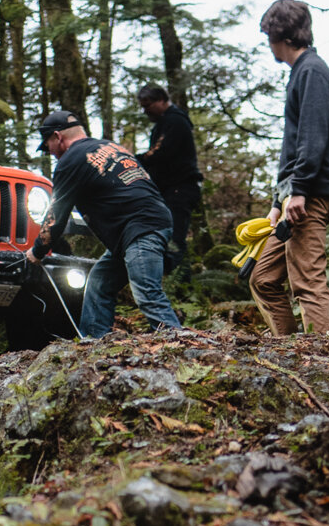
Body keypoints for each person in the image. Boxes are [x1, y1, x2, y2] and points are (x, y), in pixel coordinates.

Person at [30, 108, 183, 338]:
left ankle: (180, 345)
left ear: (57, 137)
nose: (51, 153)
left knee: (148, 294)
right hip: (149, 222)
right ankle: (93, 343)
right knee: (100, 281)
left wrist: (37, 252)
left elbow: (56, 215)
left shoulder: (70, 160)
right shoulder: (110, 147)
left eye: (48, 145)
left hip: (140, 228)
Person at [255, 0, 329, 336]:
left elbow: (312, 136)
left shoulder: (312, 71)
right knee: (263, 278)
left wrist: (299, 191)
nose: (269, 45)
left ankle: (322, 365)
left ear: (281, 35)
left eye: (269, 36)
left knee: (307, 282)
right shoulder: (300, 73)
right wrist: (278, 201)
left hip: (311, 194)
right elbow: (293, 146)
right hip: (295, 196)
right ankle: (291, 352)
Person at [135, 80, 203, 273]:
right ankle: (177, 284)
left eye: (148, 106)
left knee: (174, 238)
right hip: (168, 190)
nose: (146, 111)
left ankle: (178, 285)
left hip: (179, 189)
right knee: (168, 236)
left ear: (162, 100)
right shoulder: (163, 124)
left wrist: (133, 160)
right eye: (143, 107)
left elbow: (160, 153)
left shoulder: (175, 121)